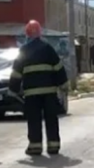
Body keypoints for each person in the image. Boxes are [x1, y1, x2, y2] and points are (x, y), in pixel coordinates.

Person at [8, 20, 68, 156]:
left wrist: (13, 89)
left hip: (31, 94)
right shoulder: (47, 48)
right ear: (40, 34)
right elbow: (58, 67)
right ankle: (53, 146)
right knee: (51, 119)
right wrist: (63, 84)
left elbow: (16, 72)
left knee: (34, 120)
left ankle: (35, 146)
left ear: (27, 35)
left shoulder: (23, 51)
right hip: (49, 92)